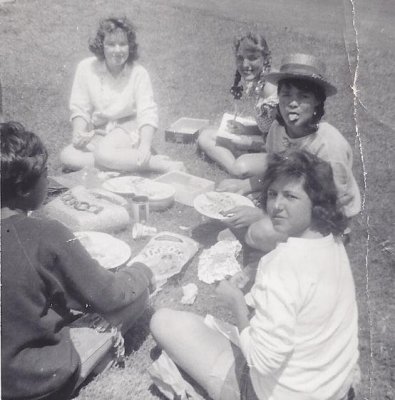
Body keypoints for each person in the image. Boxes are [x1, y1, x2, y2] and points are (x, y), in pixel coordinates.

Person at [150, 150, 359, 400]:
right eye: (272, 194)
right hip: (334, 387)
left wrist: (237, 302)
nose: (276, 206)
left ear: (316, 203)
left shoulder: (284, 265)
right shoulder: (332, 241)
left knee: (163, 321)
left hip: (277, 393)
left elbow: (262, 361)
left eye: (290, 196)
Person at [1, 121, 155, 400]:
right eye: (46, 175)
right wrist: (142, 271)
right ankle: (95, 362)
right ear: (25, 189)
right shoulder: (46, 234)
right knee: (136, 297)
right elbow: (111, 296)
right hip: (31, 381)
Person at [217, 53, 361, 252]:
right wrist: (246, 185)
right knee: (233, 214)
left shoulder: (329, 146)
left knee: (259, 233)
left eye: (303, 96)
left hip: (327, 220)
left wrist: (263, 216)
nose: (292, 103)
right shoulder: (277, 130)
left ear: (317, 101)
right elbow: (276, 173)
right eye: (286, 95)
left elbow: (334, 207)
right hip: (296, 201)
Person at [60, 16, 184, 172]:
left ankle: (158, 165)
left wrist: (145, 146)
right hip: (100, 131)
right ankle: (125, 161)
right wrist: (78, 133)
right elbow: (80, 107)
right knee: (68, 155)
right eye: (111, 44)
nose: (117, 50)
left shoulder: (139, 73)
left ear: (130, 46)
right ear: (101, 46)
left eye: (123, 44)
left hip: (129, 128)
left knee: (103, 153)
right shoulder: (86, 68)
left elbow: (148, 112)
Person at [197, 32, 277, 177]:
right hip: (268, 143)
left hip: (280, 155)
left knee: (238, 164)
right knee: (207, 134)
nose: (245, 65)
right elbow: (270, 128)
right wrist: (247, 129)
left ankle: (237, 171)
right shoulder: (261, 81)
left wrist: (250, 143)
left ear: (265, 58)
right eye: (240, 58)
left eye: (252, 58)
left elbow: (283, 141)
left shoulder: (271, 88)